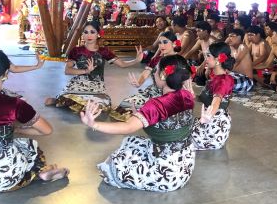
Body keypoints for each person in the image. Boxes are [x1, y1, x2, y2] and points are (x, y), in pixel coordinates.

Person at [80, 55, 196, 192]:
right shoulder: (187, 95)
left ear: (164, 75)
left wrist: (94, 124)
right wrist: (141, 114)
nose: (154, 72)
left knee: (113, 167)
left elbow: (127, 127)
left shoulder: (157, 104)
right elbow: (170, 121)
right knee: (132, 142)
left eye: (157, 69)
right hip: (185, 165)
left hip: (167, 174)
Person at [0, 50, 68, 194]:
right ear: (5, 74)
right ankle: (40, 172)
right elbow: (47, 130)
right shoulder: (15, 104)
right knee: (29, 145)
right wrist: (17, 130)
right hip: (4, 177)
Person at [45, 22, 142, 120]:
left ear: (98, 34)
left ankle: (84, 105)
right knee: (69, 99)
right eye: (86, 32)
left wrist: (136, 60)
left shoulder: (104, 51)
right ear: (82, 34)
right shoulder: (76, 51)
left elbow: (122, 64)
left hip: (97, 84)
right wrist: (86, 71)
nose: (89, 35)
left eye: (92, 32)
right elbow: (67, 70)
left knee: (97, 108)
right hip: (79, 83)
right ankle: (58, 100)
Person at [117, 31, 179, 118]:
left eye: (165, 42)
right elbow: (145, 73)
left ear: (174, 44)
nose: (161, 45)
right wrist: (138, 83)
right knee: (125, 105)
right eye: (160, 43)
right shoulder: (156, 60)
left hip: (169, 95)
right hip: (152, 92)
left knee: (148, 111)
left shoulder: (179, 61)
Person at [192, 42, 236, 150]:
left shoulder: (223, 80)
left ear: (217, 60)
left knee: (179, 134)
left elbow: (216, 101)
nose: (205, 58)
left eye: (208, 56)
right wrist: (190, 95)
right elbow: (206, 98)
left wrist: (206, 118)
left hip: (215, 128)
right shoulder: (215, 77)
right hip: (210, 121)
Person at [225, 29, 254, 94]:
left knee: (223, 81)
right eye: (228, 36)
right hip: (235, 76)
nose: (229, 39)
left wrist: (224, 71)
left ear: (239, 37)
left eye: (232, 36)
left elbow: (235, 63)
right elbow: (218, 54)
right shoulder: (230, 47)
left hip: (247, 81)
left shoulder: (242, 47)